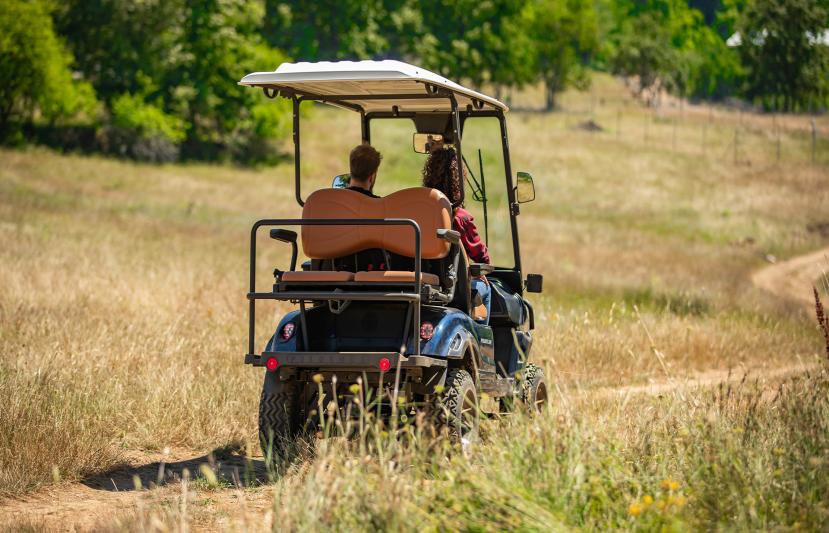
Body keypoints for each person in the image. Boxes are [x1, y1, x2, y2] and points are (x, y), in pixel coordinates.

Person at [422, 147, 492, 324]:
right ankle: (479, 340)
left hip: (423, 280)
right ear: (458, 181)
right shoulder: (460, 218)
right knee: (485, 288)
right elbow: (482, 257)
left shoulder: (418, 214)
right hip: (453, 287)